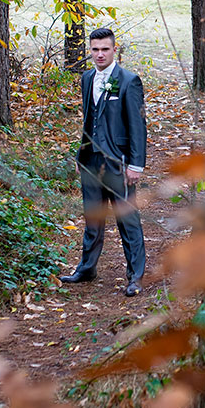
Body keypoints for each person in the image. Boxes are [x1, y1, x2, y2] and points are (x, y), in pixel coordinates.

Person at [60, 28, 147, 296]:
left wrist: (136, 165)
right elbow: (88, 120)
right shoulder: (87, 78)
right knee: (93, 218)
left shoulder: (128, 81)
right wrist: (80, 154)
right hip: (90, 161)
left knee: (127, 219)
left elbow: (138, 126)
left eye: (104, 49)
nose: (99, 54)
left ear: (113, 49)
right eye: (95, 49)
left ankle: (135, 276)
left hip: (117, 163)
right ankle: (87, 268)